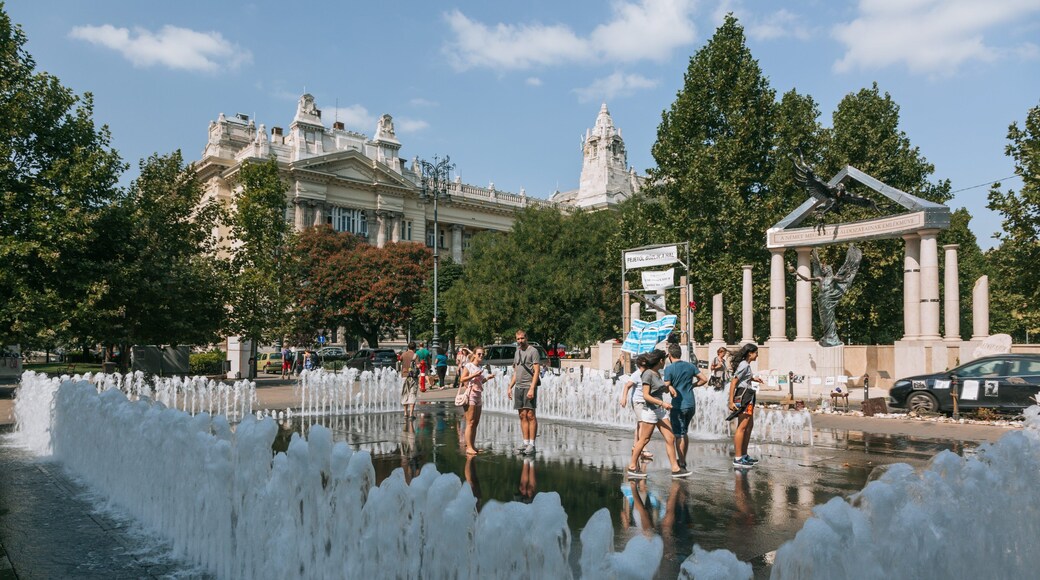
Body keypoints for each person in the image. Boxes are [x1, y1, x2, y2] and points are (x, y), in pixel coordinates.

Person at [626, 349, 690, 478]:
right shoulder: (648, 374)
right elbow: (646, 395)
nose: (665, 362)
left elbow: (660, 389)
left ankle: (675, 468)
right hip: (650, 410)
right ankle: (632, 466)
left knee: (670, 437)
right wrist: (663, 404)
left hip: (659, 411)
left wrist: (669, 387)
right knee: (644, 439)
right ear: (660, 360)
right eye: (664, 360)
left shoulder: (656, 373)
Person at [662, 343, 708, 471]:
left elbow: (666, 386)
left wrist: (669, 387)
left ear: (670, 355)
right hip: (691, 404)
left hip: (678, 405)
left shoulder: (669, 369)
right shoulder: (690, 366)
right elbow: (704, 379)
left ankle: (681, 462)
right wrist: (693, 385)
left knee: (678, 434)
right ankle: (683, 459)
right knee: (684, 432)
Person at [728, 343, 766, 468]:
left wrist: (754, 379)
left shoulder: (746, 365)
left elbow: (744, 379)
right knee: (742, 427)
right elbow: (734, 382)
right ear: (750, 353)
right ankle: (738, 458)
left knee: (749, 425)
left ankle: (744, 455)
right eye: (756, 353)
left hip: (748, 396)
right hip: (743, 397)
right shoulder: (744, 365)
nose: (757, 355)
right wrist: (731, 401)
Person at [507, 329, 539, 455]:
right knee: (522, 415)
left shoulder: (533, 351)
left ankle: (532, 444)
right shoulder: (517, 352)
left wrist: (532, 387)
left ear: (526, 338)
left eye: (522, 338)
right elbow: (516, 372)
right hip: (519, 387)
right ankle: (525, 442)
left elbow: (536, 371)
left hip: (529, 386)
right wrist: (510, 386)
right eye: (518, 339)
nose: (520, 341)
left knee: (530, 414)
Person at [458, 348, 493, 455]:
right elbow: (462, 379)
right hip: (470, 395)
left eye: (483, 354)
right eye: (479, 354)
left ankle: (473, 445)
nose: (481, 356)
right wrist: (474, 375)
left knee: (476, 422)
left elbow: (479, 381)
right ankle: (468, 447)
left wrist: (487, 378)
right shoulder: (469, 366)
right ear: (474, 354)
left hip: (478, 395)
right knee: (470, 422)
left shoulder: (479, 367)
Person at [620, 354, 653, 462]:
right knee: (643, 423)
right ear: (640, 365)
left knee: (640, 424)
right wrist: (623, 398)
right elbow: (627, 386)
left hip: (645, 401)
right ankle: (643, 448)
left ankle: (635, 445)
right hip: (638, 401)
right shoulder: (636, 374)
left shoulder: (648, 373)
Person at [399, 342, 419, 418]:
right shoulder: (415, 355)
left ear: (408, 347)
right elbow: (418, 365)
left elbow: (400, 360)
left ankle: (405, 413)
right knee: (412, 393)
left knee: (405, 393)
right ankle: (411, 414)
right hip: (413, 377)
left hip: (404, 376)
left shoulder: (403, 354)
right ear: (414, 348)